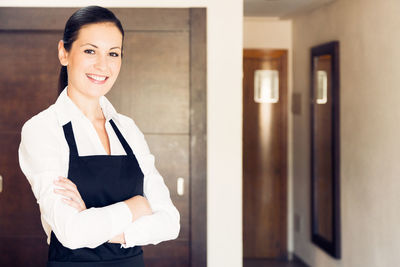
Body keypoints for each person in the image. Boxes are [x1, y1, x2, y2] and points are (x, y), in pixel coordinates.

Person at [18, 6, 180, 267]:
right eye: (90, 50)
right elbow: (71, 233)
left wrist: (94, 222)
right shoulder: (42, 129)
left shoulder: (128, 129)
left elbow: (170, 223)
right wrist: (136, 206)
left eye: (113, 53)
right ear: (64, 52)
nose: (102, 65)